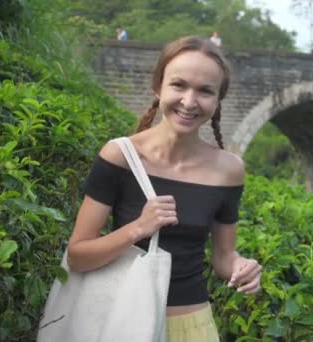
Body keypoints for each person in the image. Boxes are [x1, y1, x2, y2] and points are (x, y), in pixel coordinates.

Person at [66, 36, 262, 341]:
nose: (189, 101)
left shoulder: (229, 170)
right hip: (123, 321)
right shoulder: (120, 156)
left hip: (192, 325)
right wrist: (138, 228)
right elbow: (78, 255)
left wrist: (243, 267)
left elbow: (223, 258)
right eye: (179, 85)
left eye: (205, 91)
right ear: (158, 87)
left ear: (217, 99)